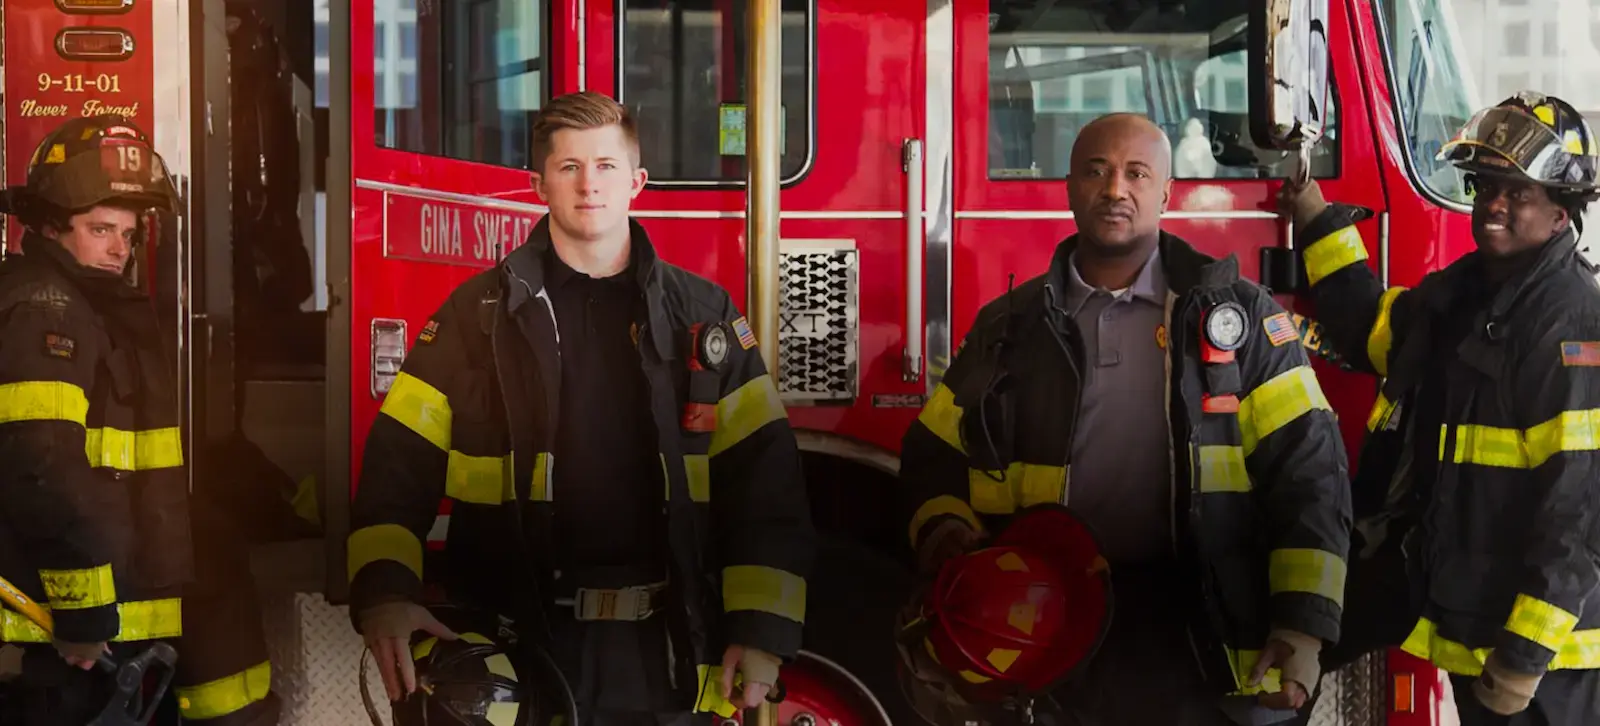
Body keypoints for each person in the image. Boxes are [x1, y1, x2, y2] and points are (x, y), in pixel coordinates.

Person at [347, 91, 816, 726]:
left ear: (637, 182)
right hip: (515, 642)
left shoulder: (704, 319)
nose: (588, 184)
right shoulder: (475, 318)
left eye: (605, 166)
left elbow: (766, 483)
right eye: (569, 168)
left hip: (667, 652)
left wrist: (761, 633)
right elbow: (395, 466)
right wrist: (385, 593)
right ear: (539, 185)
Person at [899, 112, 1353, 725]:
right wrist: (945, 529)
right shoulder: (1009, 326)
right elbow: (933, 451)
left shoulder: (1243, 321)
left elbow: (1310, 473)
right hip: (1053, 623)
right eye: (1097, 171)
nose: (1116, 189)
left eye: (1137, 174)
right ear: (1069, 187)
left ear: (1166, 193)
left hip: (1201, 629)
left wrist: (1302, 628)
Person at [1280, 91, 1600, 724]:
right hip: (1469, 617)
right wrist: (1319, 223)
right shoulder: (1463, 294)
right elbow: (1374, 327)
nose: (1494, 205)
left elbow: (1578, 511)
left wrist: (1524, 658)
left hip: (1548, 663)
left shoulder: (1569, 321)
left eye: (1518, 192)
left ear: (1562, 213)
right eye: (1485, 187)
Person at [0, 115, 280, 725]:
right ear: (51, 224)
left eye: (128, 234)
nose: (119, 250)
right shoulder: (48, 313)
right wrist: (80, 620)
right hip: (63, 631)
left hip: (106, 609)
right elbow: (44, 473)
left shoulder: (86, 306)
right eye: (101, 229)